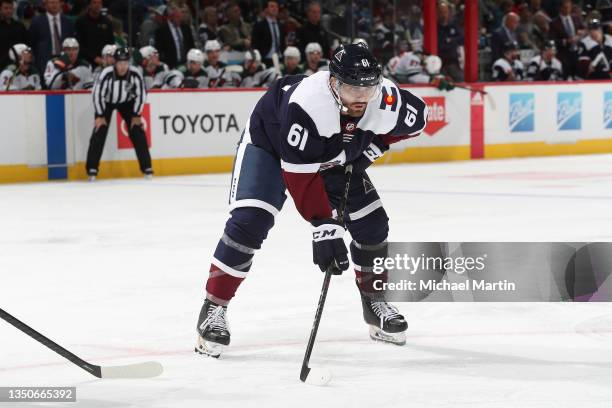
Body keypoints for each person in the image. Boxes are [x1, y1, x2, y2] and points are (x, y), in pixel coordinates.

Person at [194, 43, 428, 358]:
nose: (361, 97)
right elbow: (301, 179)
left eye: (368, 88)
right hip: (269, 145)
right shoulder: (308, 104)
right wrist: (324, 226)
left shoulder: (385, 99)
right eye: (350, 87)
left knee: (372, 223)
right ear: (333, 82)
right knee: (250, 220)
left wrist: (372, 150)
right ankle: (214, 307)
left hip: (330, 153)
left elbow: (419, 120)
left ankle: (374, 302)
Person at [87, 47, 151, 181]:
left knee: (137, 130)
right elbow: (97, 94)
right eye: (120, 63)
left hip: (127, 103)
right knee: (100, 130)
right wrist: (100, 115)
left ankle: (147, 167)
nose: (123, 67)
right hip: (107, 103)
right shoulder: (106, 73)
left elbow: (141, 94)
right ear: (115, 63)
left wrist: (136, 114)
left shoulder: (135, 74)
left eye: (125, 63)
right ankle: (92, 168)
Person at [550, 0, 584, 78]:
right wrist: (566, 41)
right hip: (564, 55)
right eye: (565, 8)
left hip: (577, 53)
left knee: (578, 77)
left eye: (569, 7)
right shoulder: (554, 23)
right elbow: (552, 40)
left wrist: (579, 35)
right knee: (565, 77)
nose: (568, 10)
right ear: (560, 8)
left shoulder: (576, 18)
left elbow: (584, 30)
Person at [74, 0, 115, 67]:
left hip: (105, 60)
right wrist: (94, 58)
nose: (97, 5)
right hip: (86, 61)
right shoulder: (81, 22)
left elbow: (111, 42)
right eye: (94, 2)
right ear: (89, 5)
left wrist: (108, 57)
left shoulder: (107, 22)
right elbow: (79, 44)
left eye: (99, 3)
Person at [154, 3, 195, 68]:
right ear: (170, 16)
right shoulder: (161, 31)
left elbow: (192, 46)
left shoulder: (186, 28)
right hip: (170, 66)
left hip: (188, 65)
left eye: (181, 17)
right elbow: (159, 51)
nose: (180, 19)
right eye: (178, 17)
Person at [251, 0, 285, 67]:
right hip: (266, 59)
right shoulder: (259, 25)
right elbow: (254, 44)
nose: (275, 8)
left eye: (276, 7)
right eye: (272, 6)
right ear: (266, 9)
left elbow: (283, 43)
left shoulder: (281, 25)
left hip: (280, 58)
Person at [0, 0, 28, 70]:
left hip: (19, 66)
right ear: (0, 9)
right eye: (6, 8)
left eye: (10, 8)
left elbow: (26, 45)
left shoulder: (20, 26)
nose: (9, 11)